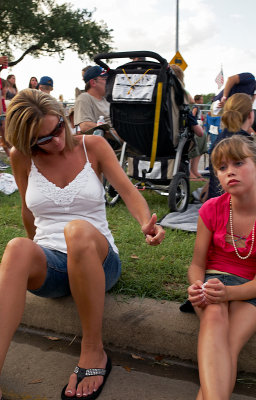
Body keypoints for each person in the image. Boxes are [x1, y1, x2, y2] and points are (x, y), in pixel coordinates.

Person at [0, 88, 165, 400]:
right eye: (43, 140)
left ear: (64, 117)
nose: (58, 141)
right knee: (16, 247)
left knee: (77, 230)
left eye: (59, 128)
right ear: (26, 141)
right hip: (52, 265)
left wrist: (146, 222)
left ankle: (94, 352)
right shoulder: (21, 157)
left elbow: (128, 192)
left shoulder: (94, 146)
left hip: (97, 259)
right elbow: (26, 208)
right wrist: (33, 256)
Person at [187, 135, 256, 400]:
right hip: (214, 279)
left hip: (254, 289)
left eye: (238, 162)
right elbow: (197, 265)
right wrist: (197, 284)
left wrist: (229, 294)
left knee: (229, 344)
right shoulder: (211, 209)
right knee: (214, 318)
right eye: (222, 168)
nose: (230, 171)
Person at [208, 93, 253, 199]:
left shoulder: (220, 138)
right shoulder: (244, 142)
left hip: (215, 197)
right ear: (250, 115)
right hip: (234, 202)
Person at [74, 65, 122, 146]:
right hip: (109, 142)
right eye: (105, 79)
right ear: (93, 82)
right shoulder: (84, 98)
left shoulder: (107, 99)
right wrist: (112, 132)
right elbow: (85, 125)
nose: (109, 82)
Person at [189, 95, 207, 181]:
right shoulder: (195, 107)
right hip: (195, 127)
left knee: (203, 139)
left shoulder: (198, 107)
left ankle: (194, 170)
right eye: (201, 99)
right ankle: (191, 172)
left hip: (198, 127)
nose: (202, 100)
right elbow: (193, 115)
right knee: (194, 146)